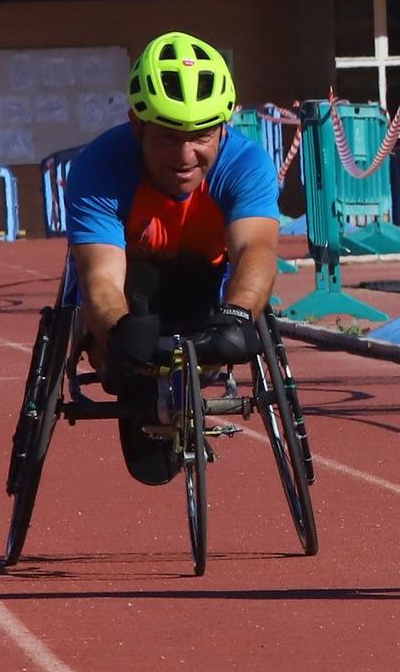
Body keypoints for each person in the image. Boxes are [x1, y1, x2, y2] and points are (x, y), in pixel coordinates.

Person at [63, 32, 280, 485]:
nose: (185, 156)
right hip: (132, 284)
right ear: (137, 124)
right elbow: (101, 276)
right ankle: (136, 381)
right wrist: (118, 331)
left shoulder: (245, 163)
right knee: (121, 339)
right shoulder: (100, 167)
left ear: (225, 126)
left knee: (226, 310)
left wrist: (238, 315)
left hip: (205, 281)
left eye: (200, 136)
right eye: (167, 138)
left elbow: (255, 250)